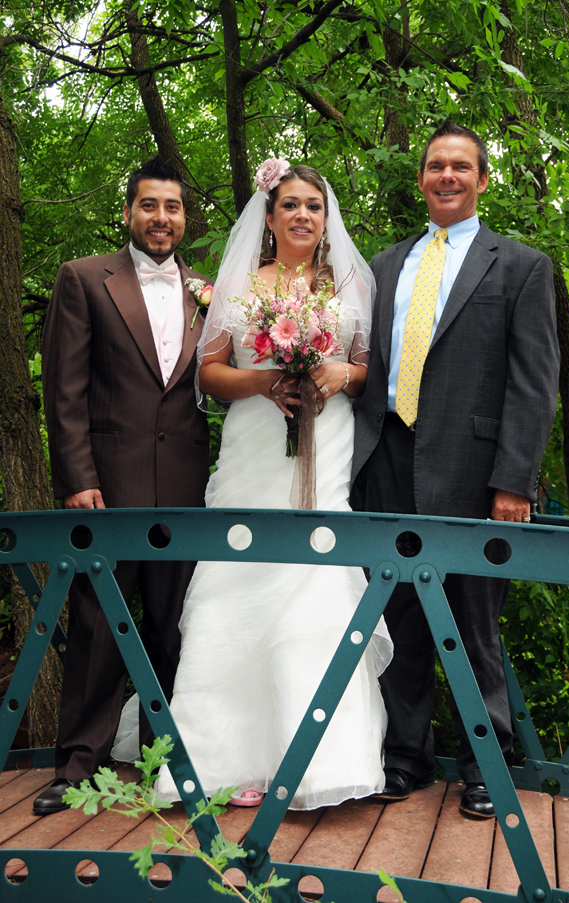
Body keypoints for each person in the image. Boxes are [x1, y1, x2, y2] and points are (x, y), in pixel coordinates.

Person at [148, 159, 393, 808]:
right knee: (242, 577)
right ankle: (223, 759)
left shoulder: (350, 285)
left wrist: (342, 373)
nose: (302, 215)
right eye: (290, 204)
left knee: (317, 580)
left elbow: (370, 369)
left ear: (326, 217)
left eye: (314, 205)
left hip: (327, 448)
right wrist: (264, 381)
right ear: (270, 215)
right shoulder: (241, 284)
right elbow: (209, 372)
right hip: (256, 448)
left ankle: (320, 763)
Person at [350, 120, 560, 818]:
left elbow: (534, 384)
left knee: (473, 624)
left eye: (460, 166)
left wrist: (514, 481)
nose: (447, 175)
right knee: (399, 616)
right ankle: (404, 758)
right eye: (436, 165)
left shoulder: (522, 266)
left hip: (475, 472)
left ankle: (484, 767)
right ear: (420, 179)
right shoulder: (383, 266)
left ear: (481, 180)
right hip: (386, 458)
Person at [33, 156, 211, 816]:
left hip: (185, 492)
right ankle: (78, 764)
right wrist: (77, 477)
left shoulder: (210, 291)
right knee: (98, 627)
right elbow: (65, 389)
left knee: (174, 629)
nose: (162, 218)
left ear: (185, 217)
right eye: (149, 205)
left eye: (173, 207)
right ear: (130, 210)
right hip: (107, 489)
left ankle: (167, 766)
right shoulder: (84, 278)